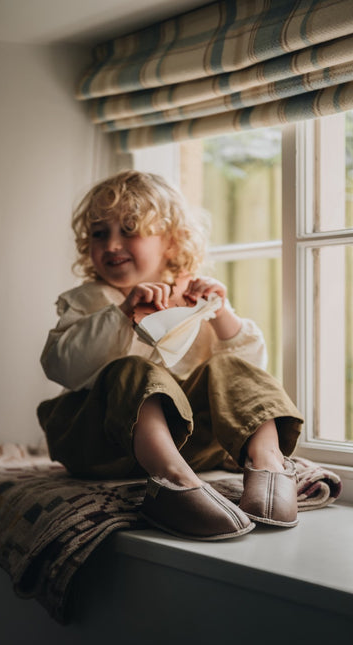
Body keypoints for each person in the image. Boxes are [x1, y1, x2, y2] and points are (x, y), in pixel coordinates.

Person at [37, 170, 304, 541]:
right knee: (134, 370)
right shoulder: (88, 300)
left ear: (173, 242)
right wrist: (122, 315)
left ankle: (269, 467)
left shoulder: (193, 296)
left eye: (129, 229)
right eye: (100, 234)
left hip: (191, 445)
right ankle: (171, 482)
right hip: (101, 444)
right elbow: (60, 365)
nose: (112, 244)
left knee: (229, 365)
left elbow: (249, 371)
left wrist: (221, 313)